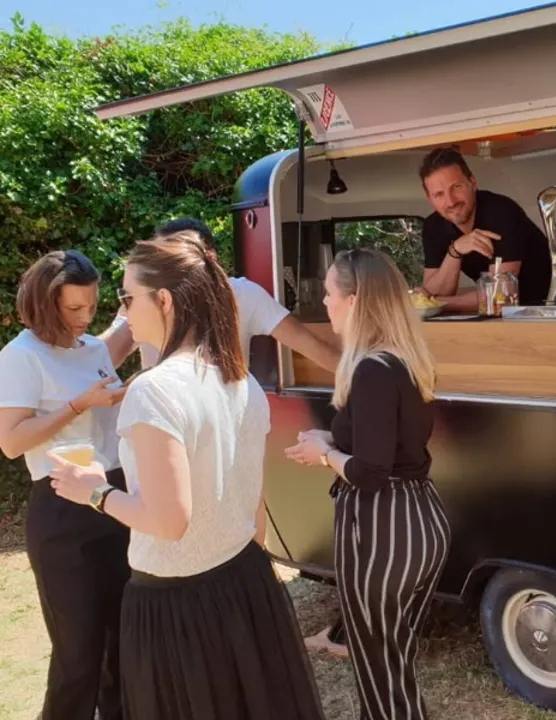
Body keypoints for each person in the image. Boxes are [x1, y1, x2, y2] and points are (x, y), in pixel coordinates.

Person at [47, 235, 326, 720]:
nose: (122, 311)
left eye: (127, 297)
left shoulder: (155, 391)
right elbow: (253, 503)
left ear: (165, 300)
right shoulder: (238, 379)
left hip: (176, 607)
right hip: (245, 582)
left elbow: (169, 521)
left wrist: (92, 490)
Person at [284, 247, 451, 720]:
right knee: (393, 665)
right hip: (420, 520)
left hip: (383, 528)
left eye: (331, 294)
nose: (326, 304)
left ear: (355, 300)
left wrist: (326, 455)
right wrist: (328, 437)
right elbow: (389, 444)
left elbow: (371, 474)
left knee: (379, 670)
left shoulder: (372, 369)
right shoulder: (404, 359)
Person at [0, 249, 128, 720]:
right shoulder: (20, 357)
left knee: (122, 639)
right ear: (43, 303)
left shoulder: (95, 349)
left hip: (115, 499)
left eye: (91, 307)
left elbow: (110, 419)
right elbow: (11, 442)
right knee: (78, 652)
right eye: (73, 309)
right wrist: (77, 405)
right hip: (60, 509)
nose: (84, 317)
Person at [99, 217, 340, 372]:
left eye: (179, 255)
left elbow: (313, 348)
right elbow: (102, 361)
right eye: (162, 256)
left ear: (209, 258)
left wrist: (368, 381)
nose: (167, 265)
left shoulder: (243, 294)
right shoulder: (144, 299)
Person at [418, 147, 556, 311]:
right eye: (439, 194)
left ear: (472, 183)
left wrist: (440, 302)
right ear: (430, 199)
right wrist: (455, 251)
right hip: (505, 315)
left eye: (456, 187)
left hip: (552, 308)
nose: (450, 201)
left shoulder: (501, 212)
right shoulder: (433, 226)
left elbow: (500, 297)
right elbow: (431, 293)